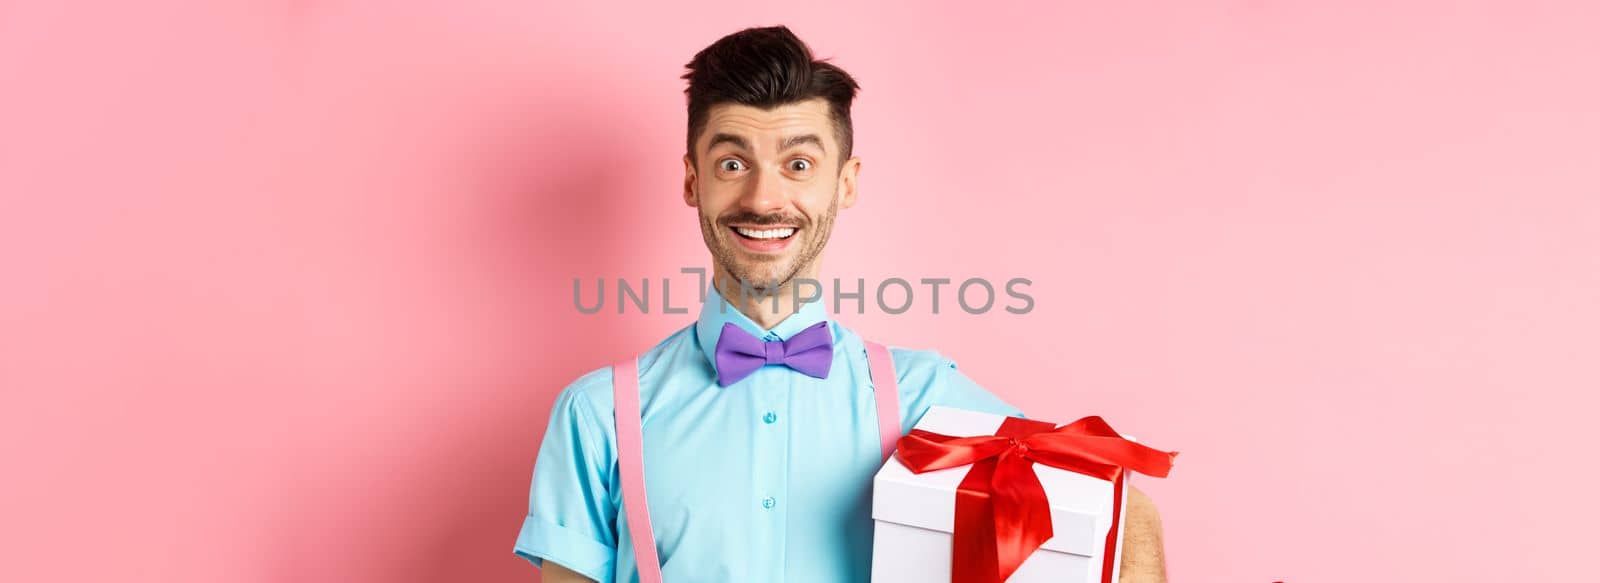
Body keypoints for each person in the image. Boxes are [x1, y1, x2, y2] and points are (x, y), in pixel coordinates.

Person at [513, 25, 1167, 583]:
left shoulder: (925, 397)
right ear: (693, 180)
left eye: (798, 164)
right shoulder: (597, 415)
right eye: (733, 163)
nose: (765, 199)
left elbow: (1121, 510)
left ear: (845, 182)